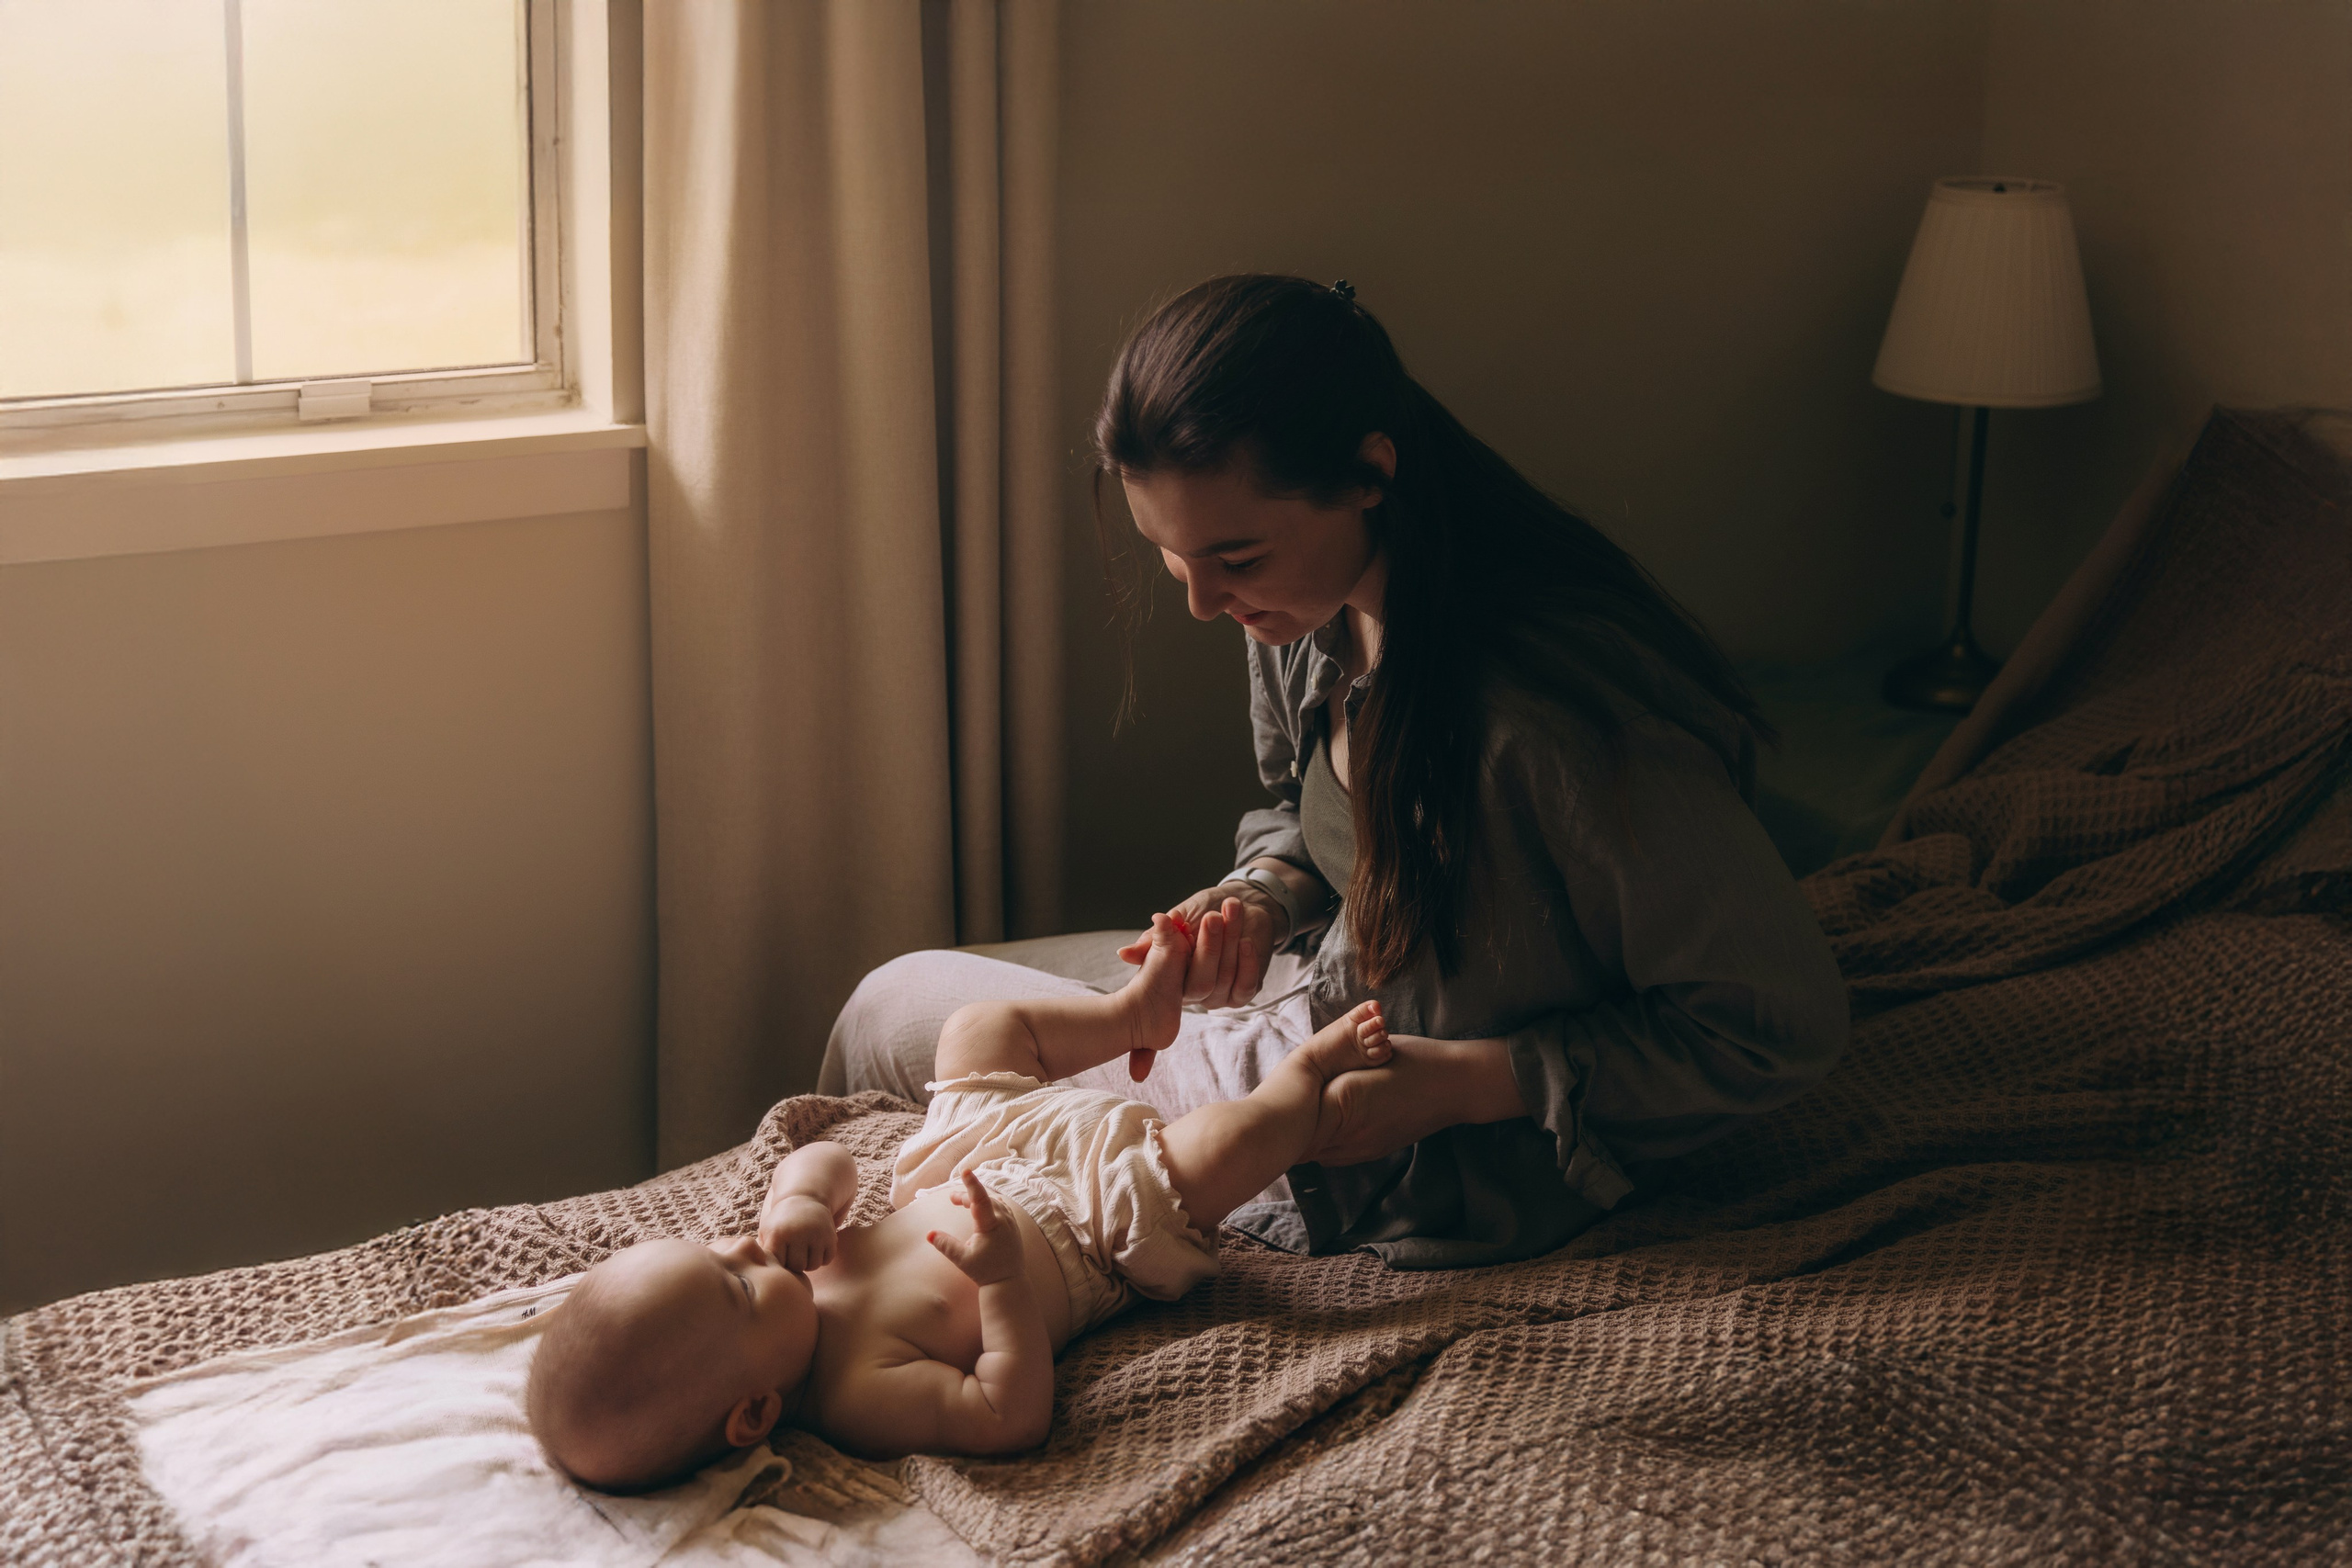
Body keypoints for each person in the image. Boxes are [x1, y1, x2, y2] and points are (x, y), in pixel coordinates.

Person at [821, 273, 1849, 1269]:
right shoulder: (1305, 612)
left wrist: (1462, 1086)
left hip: (1398, 1135)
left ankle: (830, 1318)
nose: (1201, 602)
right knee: (917, 1009)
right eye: (1170, 559)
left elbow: (1773, 1025)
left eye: (1235, 559)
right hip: (1318, 991)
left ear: (1370, 474)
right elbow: (1296, 812)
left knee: (889, 1007)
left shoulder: (1551, 726)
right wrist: (1256, 899)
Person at [527, 915, 1392, 1490]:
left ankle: (1132, 1017)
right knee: (1212, 1154)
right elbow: (1006, 1413)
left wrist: (801, 1194)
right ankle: (1304, 1084)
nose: (745, 1252)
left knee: (973, 1032)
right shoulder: (860, 1393)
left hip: (982, 1151)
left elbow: (832, 1162)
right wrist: (1003, 1282)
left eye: (720, 1251)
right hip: (1085, 1225)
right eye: (737, 1285)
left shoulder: (789, 1253)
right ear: (754, 1412)